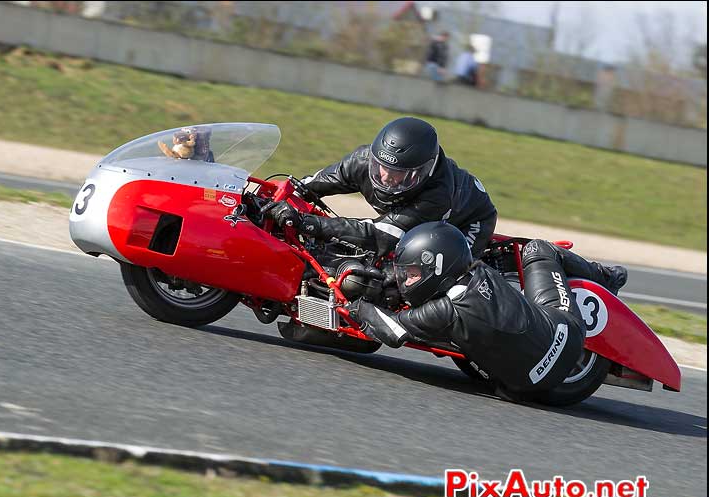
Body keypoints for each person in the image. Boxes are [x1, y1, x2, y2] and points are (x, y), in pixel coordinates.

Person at [346, 221, 628, 396]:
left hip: (527, 382)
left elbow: (393, 330)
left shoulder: (446, 309)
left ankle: (607, 280)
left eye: (412, 272)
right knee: (538, 249)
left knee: (537, 248)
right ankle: (604, 273)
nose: (406, 279)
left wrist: (356, 306)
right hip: (550, 355)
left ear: (439, 266)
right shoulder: (477, 270)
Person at [263, 117, 498, 260]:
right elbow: (304, 186)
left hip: (468, 221)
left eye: (398, 173)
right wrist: (267, 201)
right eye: (380, 166)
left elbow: (381, 236)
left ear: (421, 172)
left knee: (437, 273)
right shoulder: (361, 161)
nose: (385, 176)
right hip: (398, 217)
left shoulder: (437, 195)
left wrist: (308, 222)